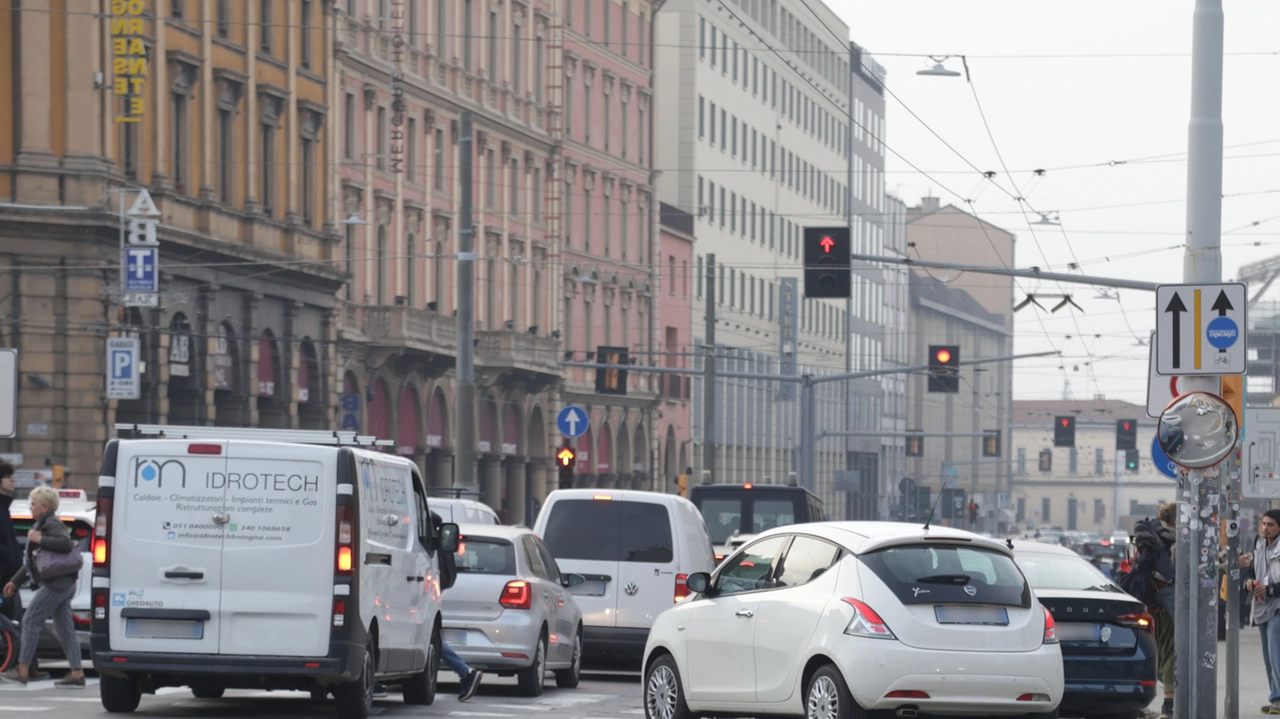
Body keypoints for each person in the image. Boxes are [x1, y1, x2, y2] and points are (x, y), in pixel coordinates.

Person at [0, 486, 85, 687]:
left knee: (30, 620)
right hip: (64, 582)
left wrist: (40, 539)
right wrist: (15, 581)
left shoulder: (51, 523)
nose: (31, 507)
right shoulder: (42, 523)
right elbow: (31, 561)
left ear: (44, 506)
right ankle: (77, 672)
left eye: (33, 504)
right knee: (65, 628)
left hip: (57, 583)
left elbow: (64, 544)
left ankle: (22, 670)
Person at [1130, 504, 1176, 719]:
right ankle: (1169, 704)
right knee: (1170, 652)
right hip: (1169, 604)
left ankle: (1139, 705)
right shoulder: (1174, 541)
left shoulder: (1152, 537)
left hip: (1151, 601)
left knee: (1155, 650)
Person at [431, 511, 482, 702]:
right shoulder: (438, 543)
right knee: (433, 637)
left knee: (432, 637)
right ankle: (465, 672)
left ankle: (465, 671)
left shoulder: (431, 544)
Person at [1243, 509, 1280, 714]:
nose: (1266, 528)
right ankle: (1275, 696)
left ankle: (1279, 698)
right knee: (1268, 656)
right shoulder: (1258, 543)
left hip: (1277, 606)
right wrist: (1249, 583)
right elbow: (1251, 570)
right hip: (1261, 606)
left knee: (1276, 655)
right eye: (1264, 524)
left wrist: (1271, 589)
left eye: (1271, 525)